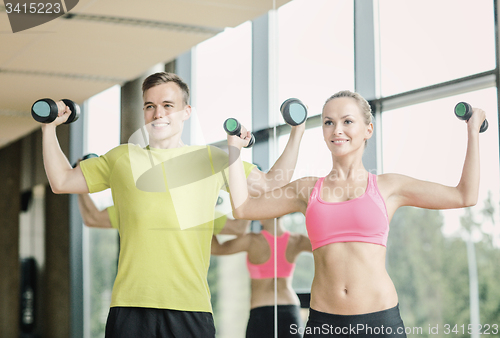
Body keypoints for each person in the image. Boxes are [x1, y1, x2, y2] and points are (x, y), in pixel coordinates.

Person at [40, 71, 305, 338]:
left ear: (186, 111)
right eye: (150, 106)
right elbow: (61, 181)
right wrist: (48, 128)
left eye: (168, 105)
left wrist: (297, 131)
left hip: (190, 308)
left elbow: (272, 183)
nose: (158, 114)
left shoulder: (212, 160)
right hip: (130, 306)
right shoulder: (121, 158)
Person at [227, 90, 485, 337]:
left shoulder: (389, 187)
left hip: (379, 321)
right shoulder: (307, 189)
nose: (337, 130)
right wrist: (234, 150)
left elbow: (465, 195)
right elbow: (244, 208)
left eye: (347, 121)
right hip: (323, 324)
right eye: (329, 122)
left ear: (368, 130)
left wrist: (472, 132)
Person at [211, 217, 312, 338]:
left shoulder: (252, 240)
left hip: (262, 310)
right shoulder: (297, 240)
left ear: (260, 218)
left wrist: (207, 219)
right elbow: (326, 247)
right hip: (290, 309)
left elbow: (216, 248)